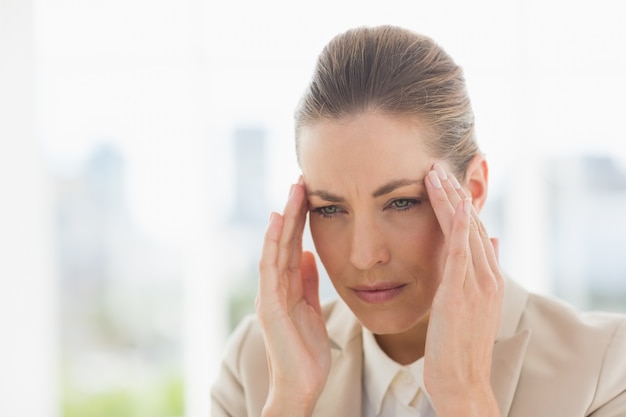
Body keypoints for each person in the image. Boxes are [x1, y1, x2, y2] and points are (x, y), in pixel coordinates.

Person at [211, 25, 626, 417]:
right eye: (330, 209)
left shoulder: (605, 369)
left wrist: (465, 397)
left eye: (402, 203)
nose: (364, 255)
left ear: (475, 190)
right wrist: (289, 401)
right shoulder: (254, 367)